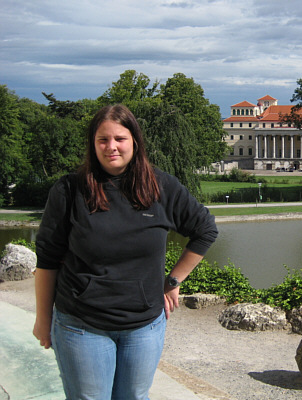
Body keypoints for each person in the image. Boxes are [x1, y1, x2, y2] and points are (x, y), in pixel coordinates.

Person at [33, 104, 218, 400]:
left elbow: (205, 230)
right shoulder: (69, 190)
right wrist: (43, 320)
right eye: (102, 140)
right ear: (93, 145)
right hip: (83, 326)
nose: (111, 147)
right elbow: (47, 259)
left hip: (143, 327)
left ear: (134, 141)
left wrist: (173, 281)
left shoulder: (161, 186)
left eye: (120, 138)